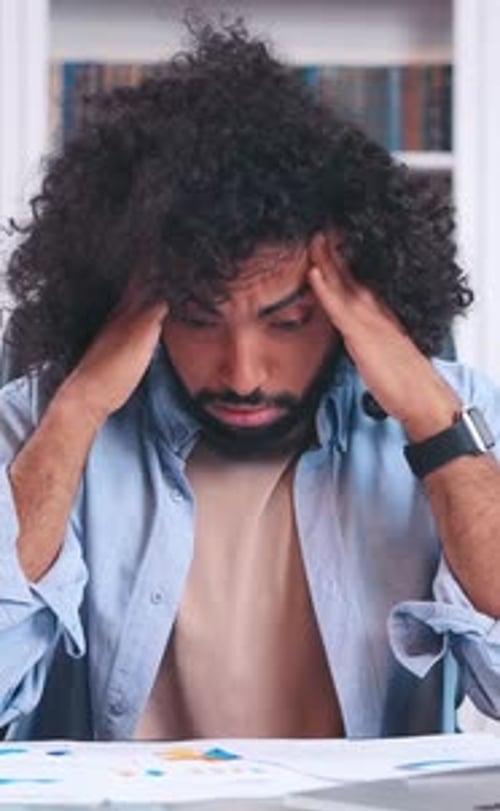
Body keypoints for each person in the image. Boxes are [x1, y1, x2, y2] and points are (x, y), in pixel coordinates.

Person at [0, 22, 499, 742]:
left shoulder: (456, 417)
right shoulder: (39, 426)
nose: (242, 372)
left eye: (288, 322)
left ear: (354, 307)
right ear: (137, 308)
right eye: (200, 319)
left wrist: (433, 421)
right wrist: (79, 409)